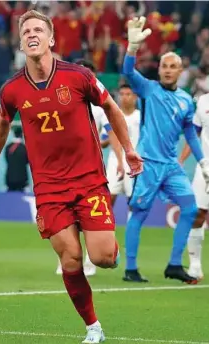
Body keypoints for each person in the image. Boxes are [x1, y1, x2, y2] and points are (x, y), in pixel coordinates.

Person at [0, 10, 143, 344]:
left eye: (38, 29)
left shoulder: (77, 76)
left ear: (51, 39)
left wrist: (128, 148)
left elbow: (110, 107)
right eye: (26, 32)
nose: (32, 35)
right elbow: (4, 123)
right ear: (21, 43)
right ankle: (93, 327)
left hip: (88, 180)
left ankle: (108, 245)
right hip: (49, 188)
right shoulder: (12, 90)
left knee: (103, 258)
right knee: (70, 258)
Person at [122, 17, 209, 284]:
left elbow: (190, 134)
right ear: (159, 69)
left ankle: (174, 264)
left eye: (172, 66)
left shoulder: (187, 100)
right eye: (164, 65)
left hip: (171, 165)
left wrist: (203, 163)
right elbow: (128, 73)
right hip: (148, 163)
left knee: (189, 208)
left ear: (180, 71)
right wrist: (132, 48)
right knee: (139, 212)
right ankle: (131, 268)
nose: (167, 70)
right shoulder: (148, 89)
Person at [56, 60, 125, 277]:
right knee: (66, 217)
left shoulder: (98, 105)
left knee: (87, 216)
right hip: (62, 169)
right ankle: (67, 258)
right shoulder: (61, 99)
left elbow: (109, 131)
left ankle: (92, 258)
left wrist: (119, 157)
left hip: (89, 170)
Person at [179, 59, 209, 280]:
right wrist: (181, 161)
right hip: (206, 168)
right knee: (196, 215)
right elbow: (192, 135)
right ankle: (195, 266)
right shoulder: (203, 102)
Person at [106, 84, 140, 207]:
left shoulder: (140, 117)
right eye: (121, 94)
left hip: (134, 161)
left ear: (135, 97)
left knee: (133, 201)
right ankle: (106, 226)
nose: (124, 97)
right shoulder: (112, 115)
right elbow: (106, 140)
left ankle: (131, 226)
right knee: (109, 197)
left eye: (128, 94)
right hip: (115, 160)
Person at [5, 127, 29, 192]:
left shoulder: (8, 147)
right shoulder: (25, 148)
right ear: (22, 135)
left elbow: (7, 160)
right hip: (22, 179)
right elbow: (27, 161)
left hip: (10, 178)